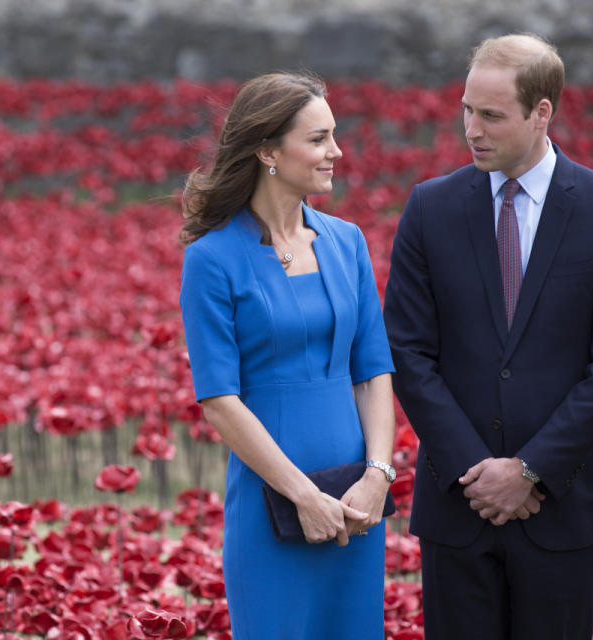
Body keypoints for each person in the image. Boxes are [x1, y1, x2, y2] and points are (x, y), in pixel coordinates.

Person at [383, 34, 593, 639]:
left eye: (490, 115)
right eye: (466, 109)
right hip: (459, 501)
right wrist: (476, 469)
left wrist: (529, 470)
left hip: (566, 503)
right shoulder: (430, 207)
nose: (471, 130)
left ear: (542, 114)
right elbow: (407, 349)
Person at [179, 72, 396, 639]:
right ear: (268, 151)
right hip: (272, 504)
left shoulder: (347, 240)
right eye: (319, 139)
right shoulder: (212, 258)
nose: (336, 152)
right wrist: (303, 495)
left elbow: (373, 371)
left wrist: (378, 474)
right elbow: (219, 400)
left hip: (355, 504)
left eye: (334, 136)